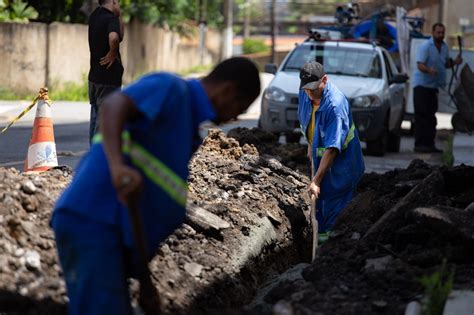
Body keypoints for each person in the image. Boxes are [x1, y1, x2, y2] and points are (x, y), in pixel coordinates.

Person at [51, 57, 261, 315]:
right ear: (227, 91)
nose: (236, 116)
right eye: (240, 107)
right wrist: (117, 167)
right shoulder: (170, 88)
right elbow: (112, 105)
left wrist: (146, 284)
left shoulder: (187, 130)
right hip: (94, 220)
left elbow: (144, 202)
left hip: (117, 235)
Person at [297, 61, 365, 241]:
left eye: (313, 89)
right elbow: (308, 120)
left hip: (343, 166)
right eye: (306, 89)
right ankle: (319, 240)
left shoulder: (335, 106)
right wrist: (311, 144)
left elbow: (333, 148)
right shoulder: (305, 91)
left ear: (324, 80)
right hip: (322, 160)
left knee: (334, 215)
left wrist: (316, 181)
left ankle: (328, 253)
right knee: (319, 207)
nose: (310, 94)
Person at [412, 22, 462, 153]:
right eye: (438, 32)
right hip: (421, 86)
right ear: (433, 33)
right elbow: (420, 65)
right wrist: (429, 70)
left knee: (431, 116)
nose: (440, 35)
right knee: (422, 116)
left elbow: (445, 64)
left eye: (442, 33)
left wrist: (455, 62)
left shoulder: (444, 48)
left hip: (434, 87)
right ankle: (419, 144)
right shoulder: (426, 47)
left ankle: (429, 144)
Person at [88, 0, 125, 144]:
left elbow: (120, 35)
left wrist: (118, 16)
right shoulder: (110, 19)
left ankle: (92, 154)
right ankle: (99, 157)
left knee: (95, 117)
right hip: (108, 79)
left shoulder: (95, 16)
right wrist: (112, 52)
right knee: (104, 122)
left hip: (94, 77)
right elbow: (115, 38)